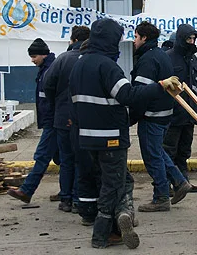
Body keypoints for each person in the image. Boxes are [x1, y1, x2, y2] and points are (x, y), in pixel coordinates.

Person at [69, 18, 180, 249]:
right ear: (110, 40)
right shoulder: (107, 66)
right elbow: (128, 95)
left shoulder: (79, 63)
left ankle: (119, 225)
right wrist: (160, 86)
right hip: (110, 136)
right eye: (118, 39)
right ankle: (102, 234)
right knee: (113, 184)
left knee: (114, 181)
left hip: (86, 137)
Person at [130, 21, 193, 212]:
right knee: (157, 151)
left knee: (152, 156)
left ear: (144, 37)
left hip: (152, 115)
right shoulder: (161, 55)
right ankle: (179, 181)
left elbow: (140, 93)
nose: (134, 41)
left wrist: (131, 117)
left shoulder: (148, 59)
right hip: (165, 114)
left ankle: (161, 197)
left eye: (135, 37)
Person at [43, 26, 90, 213]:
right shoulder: (89, 61)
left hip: (62, 117)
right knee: (81, 159)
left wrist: (57, 104)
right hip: (83, 117)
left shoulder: (62, 59)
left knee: (66, 159)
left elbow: (48, 85)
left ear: (72, 39)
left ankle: (66, 198)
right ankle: (80, 198)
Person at [7, 38, 57, 203]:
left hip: (53, 122)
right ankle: (68, 193)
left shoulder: (49, 70)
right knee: (62, 159)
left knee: (42, 156)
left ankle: (27, 190)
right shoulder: (46, 69)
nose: (32, 60)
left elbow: (51, 99)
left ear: (43, 54)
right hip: (53, 121)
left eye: (34, 56)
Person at [163, 24, 197, 194]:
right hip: (173, 113)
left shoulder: (193, 59)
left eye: (193, 39)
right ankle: (168, 184)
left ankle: (183, 181)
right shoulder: (168, 57)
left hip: (189, 113)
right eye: (188, 39)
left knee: (184, 150)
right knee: (169, 149)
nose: (191, 42)